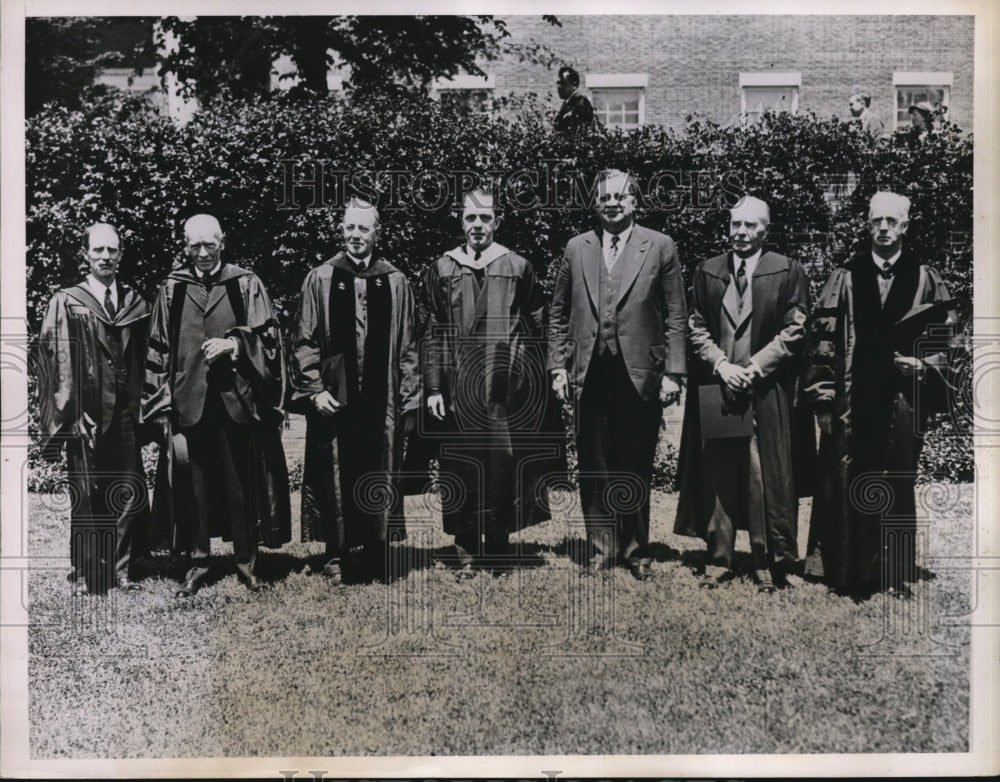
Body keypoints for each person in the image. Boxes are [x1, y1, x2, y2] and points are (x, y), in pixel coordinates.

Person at [803, 192, 957, 598]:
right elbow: (823, 341)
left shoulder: (925, 277)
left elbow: (947, 337)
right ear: (867, 225)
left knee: (895, 480)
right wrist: (823, 398)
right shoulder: (846, 276)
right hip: (851, 400)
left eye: (892, 221)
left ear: (906, 226)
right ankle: (845, 570)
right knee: (845, 477)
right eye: (877, 221)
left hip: (902, 401)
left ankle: (891, 571)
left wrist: (925, 365)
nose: (884, 228)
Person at [549, 170, 687, 580]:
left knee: (635, 461)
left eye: (620, 197)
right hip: (588, 371)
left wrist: (674, 373)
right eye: (605, 197)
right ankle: (600, 548)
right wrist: (558, 365)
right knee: (594, 463)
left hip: (639, 372)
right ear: (595, 203)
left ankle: (637, 550)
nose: (612, 203)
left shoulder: (659, 246)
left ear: (634, 203)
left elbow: (677, 314)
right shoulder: (577, 248)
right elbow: (557, 312)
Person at [143, 214, 290, 597]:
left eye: (210, 244)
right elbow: (157, 350)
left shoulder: (245, 284)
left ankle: (247, 564)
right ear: (186, 246)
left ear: (223, 241)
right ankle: (198, 562)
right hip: (188, 402)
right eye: (195, 246)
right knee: (196, 487)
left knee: (242, 487)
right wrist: (160, 402)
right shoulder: (172, 289)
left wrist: (236, 346)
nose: (204, 252)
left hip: (235, 401)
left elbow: (269, 340)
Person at [419, 187, 559, 575]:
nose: (477, 225)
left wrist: (532, 376)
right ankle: (465, 548)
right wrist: (433, 386)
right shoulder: (443, 268)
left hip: (506, 390)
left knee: (503, 464)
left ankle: (498, 544)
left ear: (497, 220)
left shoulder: (517, 266)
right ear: (460, 221)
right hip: (456, 389)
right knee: (461, 467)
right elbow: (432, 329)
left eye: (485, 218)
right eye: (470, 218)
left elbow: (538, 323)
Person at [674, 197, 811, 593]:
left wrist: (753, 368)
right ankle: (718, 559)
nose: (742, 233)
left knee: (760, 475)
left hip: (765, 389)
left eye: (751, 226)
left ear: (765, 230)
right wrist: (721, 364)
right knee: (718, 471)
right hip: (718, 385)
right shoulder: (708, 270)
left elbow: (796, 328)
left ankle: (764, 560)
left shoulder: (786, 270)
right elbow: (695, 325)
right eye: (736, 224)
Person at [288, 199, 420, 585]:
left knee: (381, 468)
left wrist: (409, 398)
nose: (356, 235)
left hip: (385, 401)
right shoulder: (321, 278)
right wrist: (314, 390)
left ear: (377, 232)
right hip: (335, 399)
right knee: (334, 472)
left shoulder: (395, 281)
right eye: (350, 227)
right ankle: (336, 554)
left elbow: (410, 346)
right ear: (341, 229)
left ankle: (379, 552)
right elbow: (304, 340)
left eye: (364, 228)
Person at [38, 222, 151, 595]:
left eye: (112, 251)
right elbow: (58, 362)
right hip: (86, 414)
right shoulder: (68, 300)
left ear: (121, 255)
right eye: (98, 250)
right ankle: (87, 573)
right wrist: (72, 412)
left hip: (125, 413)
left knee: (128, 489)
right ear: (86, 254)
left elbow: (146, 360)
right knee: (87, 492)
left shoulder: (135, 303)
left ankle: (121, 571)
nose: (106, 257)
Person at [554, 66, 596, 133]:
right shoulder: (567, 103)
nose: (559, 87)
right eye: (558, 83)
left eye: (563, 83)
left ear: (574, 85)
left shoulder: (581, 103)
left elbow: (583, 133)